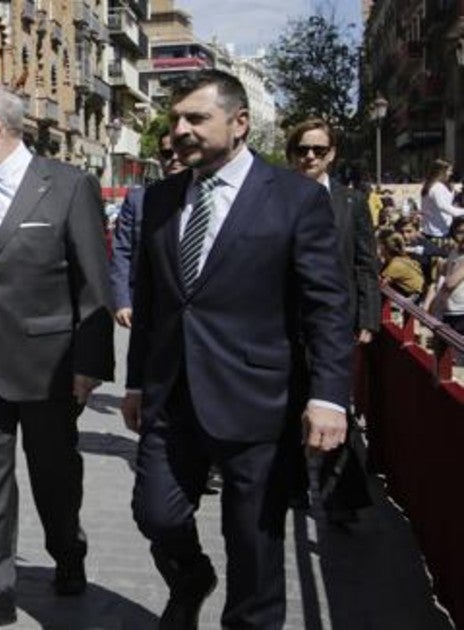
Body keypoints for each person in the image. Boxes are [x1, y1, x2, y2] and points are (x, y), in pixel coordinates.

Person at [122, 70, 352, 629]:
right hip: (172, 394)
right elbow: (151, 303)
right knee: (155, 512)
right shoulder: (158, 199)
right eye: (176, 119)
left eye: (196, 118)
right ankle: (191, 576)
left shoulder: (294, 198)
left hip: (258, 400)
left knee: (254, 545)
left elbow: (327, 305)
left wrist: (329, 396)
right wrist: (134, 382)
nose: (180, 130)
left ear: (240, 123)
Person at [0, 85, 113, 630]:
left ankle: (68, 550)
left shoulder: (67, 186)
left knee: (54, 478)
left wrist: (89, 366)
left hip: (49, 365)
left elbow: (94, 285)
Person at [285, 118, 382, 528]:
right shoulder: (274, 198)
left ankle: (341, 500)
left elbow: (365, 264)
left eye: (319, 150)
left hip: (334, 325)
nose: (310, 157)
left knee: (331, 407)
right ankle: (290, 488)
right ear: (292, 154)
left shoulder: (350, 202)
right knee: (286, 408)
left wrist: (367, 316)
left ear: (332, 155)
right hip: (283, 323)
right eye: (303, 150)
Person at [111, 129, 186, 328]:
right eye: (168, 153)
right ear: (159, 158)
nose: (175, 159)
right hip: (147, 306)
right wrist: (122, 300)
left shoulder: (208, 198)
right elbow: (122, 250)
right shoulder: (138, 199)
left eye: (181, 150)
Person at [420, 159, 464, 248]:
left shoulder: (432, 185)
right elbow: (446, 208)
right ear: (441, 171)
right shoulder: (436, 187)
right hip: (437, 232)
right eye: (449, 171)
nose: (451, 173)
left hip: (437, 228)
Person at [379, 232, 425, 298]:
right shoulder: (403, 258)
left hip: (413, 297)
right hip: (417, 292)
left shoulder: (395, 265)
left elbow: (381, 284)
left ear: (385, 249)